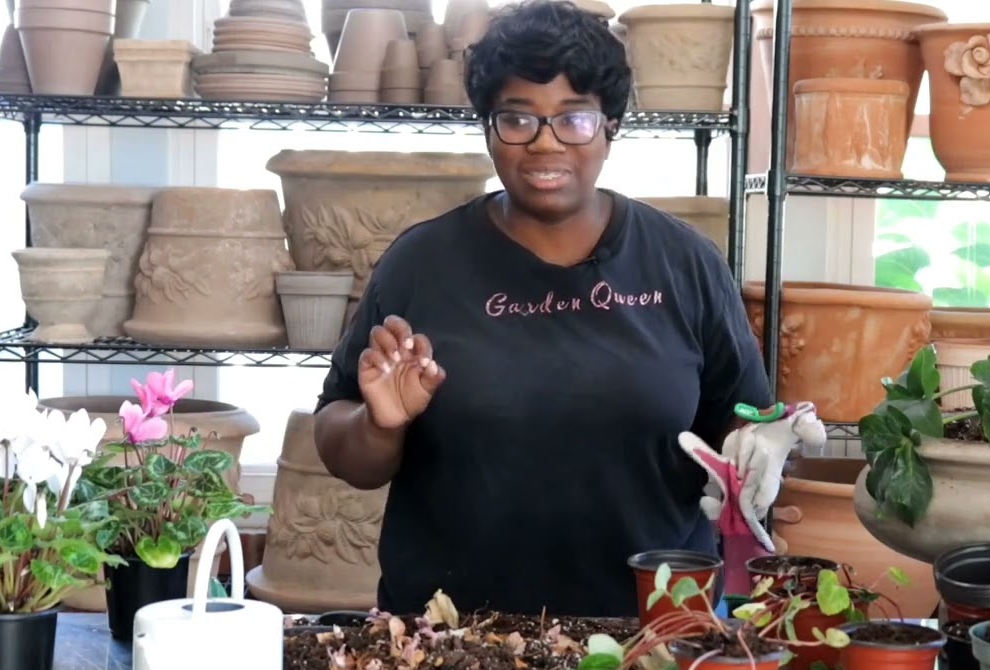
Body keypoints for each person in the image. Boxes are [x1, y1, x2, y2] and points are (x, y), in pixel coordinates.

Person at [313, 0, 795, 618]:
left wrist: (759, 451)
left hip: (650, 628)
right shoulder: (422, 263)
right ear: (488, 126)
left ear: (612, 126)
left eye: (574, 120)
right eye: (518, 119)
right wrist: (382, 425)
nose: (545, 145)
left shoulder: (684, 263)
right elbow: (339, 442)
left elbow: (744, 416)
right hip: (450, 639)